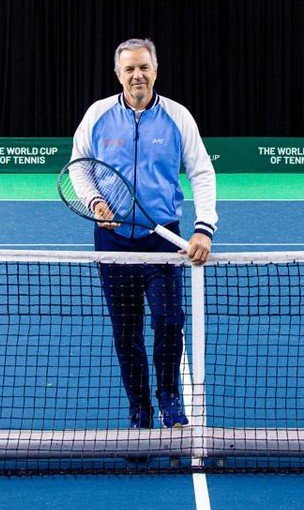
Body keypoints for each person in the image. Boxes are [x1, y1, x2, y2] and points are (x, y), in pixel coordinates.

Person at [70, 38, 217, 429]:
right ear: (118, 74)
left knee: (169, 322)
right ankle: (140, 409)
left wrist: (204, 228)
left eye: (144, 67)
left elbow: (201, 172)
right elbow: (79, 167)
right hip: (112, 242)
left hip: (163, 240)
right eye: (130, 68)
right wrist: (95, 202)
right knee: (126, 332)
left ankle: (169, 397)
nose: (138, 75)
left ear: (155, 70)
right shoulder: (97, 115)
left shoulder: (177, 117)